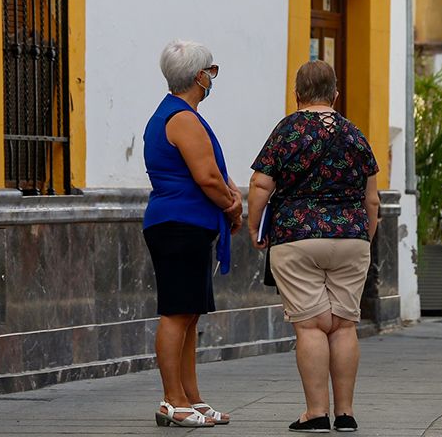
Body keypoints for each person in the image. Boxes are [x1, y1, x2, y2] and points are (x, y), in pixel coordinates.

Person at [247, 60, 381, 433]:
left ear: (297, 95)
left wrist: (254, 225)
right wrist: (363, 236)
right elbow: (372, 199)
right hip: (351, 238)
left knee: (310, 327)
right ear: (335, 94)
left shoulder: (288, 130)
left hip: (296, 236)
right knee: (343, 326)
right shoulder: (354, 134)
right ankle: (347, 414)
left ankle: (316, 413)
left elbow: (261, 184)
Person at [143, 40, 243, 427]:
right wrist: (232, 206)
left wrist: (227, 198)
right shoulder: (181, 118)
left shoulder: (180, 115)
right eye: (211, 71)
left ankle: (190, 396)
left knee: (188, 315)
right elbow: (207, 176)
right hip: (179, 224)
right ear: (199, 76)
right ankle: (172, 400)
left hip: (187, 224)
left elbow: (213, 171)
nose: (212, 78)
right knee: (176, 313)